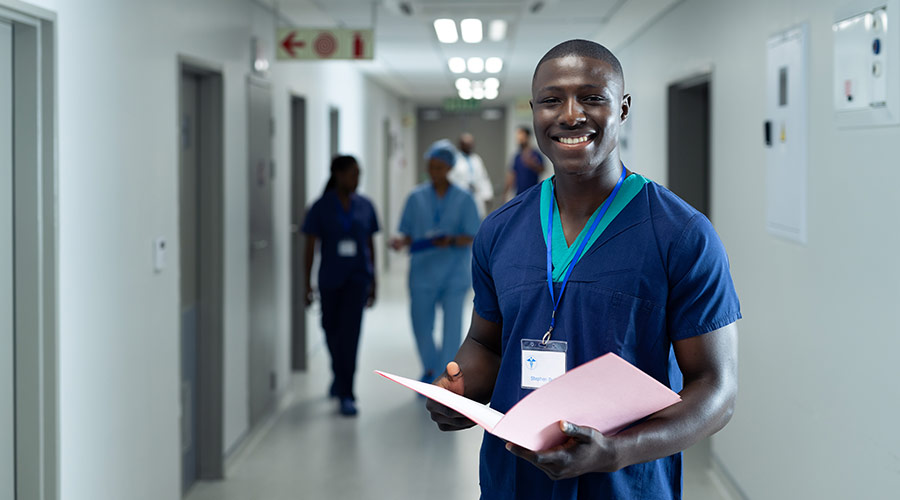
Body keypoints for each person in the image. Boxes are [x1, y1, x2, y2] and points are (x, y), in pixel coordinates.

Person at [426, 39, 741, 499]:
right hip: (514, 481)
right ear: (534, 112)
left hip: (625, 483)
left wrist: (617, 450)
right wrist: (460, 390)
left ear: (624, 108)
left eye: (592, 97)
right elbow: (485, 343)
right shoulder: (500, 231)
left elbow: (716, 390)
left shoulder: (681, 234)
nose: (571, 115)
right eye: (552, 100)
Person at [390, 139, 481, 384]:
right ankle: (430, 369)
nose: (434, 171)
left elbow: (474, 234)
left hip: (454, 273)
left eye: (439, 167)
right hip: (422, 273)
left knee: (452, 328)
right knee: (421, 326)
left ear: (449, 168)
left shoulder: (464, 198)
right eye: (430, 166)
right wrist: (400, 242)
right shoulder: (415, 197)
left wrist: (451, 240)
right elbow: (408, 232)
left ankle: (445, 376)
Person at [302, 155, 379, 417]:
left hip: (357, 279)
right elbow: (310, 247)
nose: (357, 179)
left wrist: (373, 281)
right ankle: (339, 373)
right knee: (330, 330)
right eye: (352, 174)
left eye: (359, 174)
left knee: (351, 336)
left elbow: (370, 245)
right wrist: (306, 284)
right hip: (330, 279)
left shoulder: (365, 206)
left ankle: (348, 392)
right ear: (338, 174)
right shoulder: (320, 207)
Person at [450, 132, 494, 218]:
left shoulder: (476, 159)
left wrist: (488, 195)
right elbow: (451, 179)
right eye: (466, 144)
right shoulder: (454, 160)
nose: (469, 146)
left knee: (477, 220)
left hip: (476, 196)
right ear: (460, 145)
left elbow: (483, 178)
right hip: (460, 197)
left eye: (470, 144)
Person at [505, 126, 545, 197]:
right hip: (519, 194)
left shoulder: (535, 154)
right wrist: (506, 192)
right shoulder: (517, 156)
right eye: (518, 137)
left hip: (533, 193)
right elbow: (512, 175)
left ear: (527, 137)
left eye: (522, 136)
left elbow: (542, 169)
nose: (519, 139)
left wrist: (533, 164)